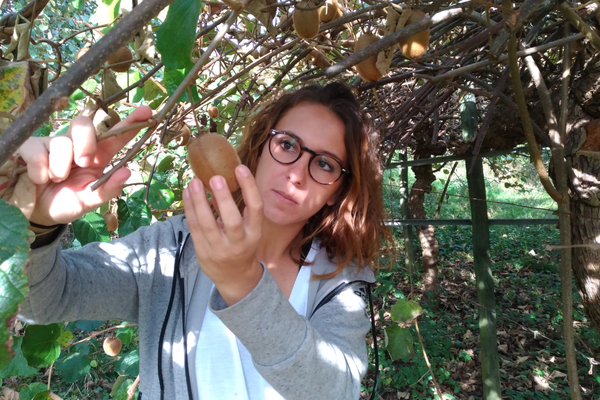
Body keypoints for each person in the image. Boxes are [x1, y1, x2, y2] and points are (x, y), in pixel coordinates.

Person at [17, 82, 394, 400]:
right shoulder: (170, 248)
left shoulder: (337, 281)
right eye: (288, 144)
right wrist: (35, 226)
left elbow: (335, 389)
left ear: (335, 192)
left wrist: (243, 284)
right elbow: (45, 301)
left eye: (325, 164)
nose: (297, 173)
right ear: (262, 146)